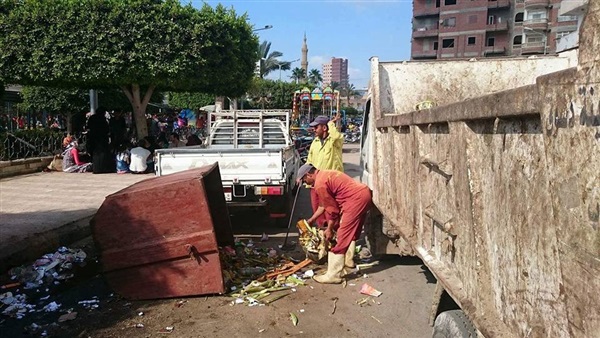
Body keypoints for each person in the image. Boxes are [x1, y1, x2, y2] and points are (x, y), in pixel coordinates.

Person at [297, 163, 372, 284]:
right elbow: (323, 204)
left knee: (342, 234)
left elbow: (332, 210)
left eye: (304, 180)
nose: (306, 183)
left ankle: (333, 275)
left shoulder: (320, 184)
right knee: (351, 230)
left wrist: (330, 229)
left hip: (355, 200)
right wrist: (311, 220)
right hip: (363, 194)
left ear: (309, 174)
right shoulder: (325, 175)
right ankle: (348, 260)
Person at [305, 114, 344, 228]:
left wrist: (331, 123)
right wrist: (304, 176)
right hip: (316, 183)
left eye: (316, 127)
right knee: (317, 209)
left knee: (331, 210)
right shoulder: (315, 142)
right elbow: (309, 161)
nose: (314, 130)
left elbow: (336, 136)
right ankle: (322, 232)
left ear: (324, 128)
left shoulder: (334, 141)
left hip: (331, 183)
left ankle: (333, 232)